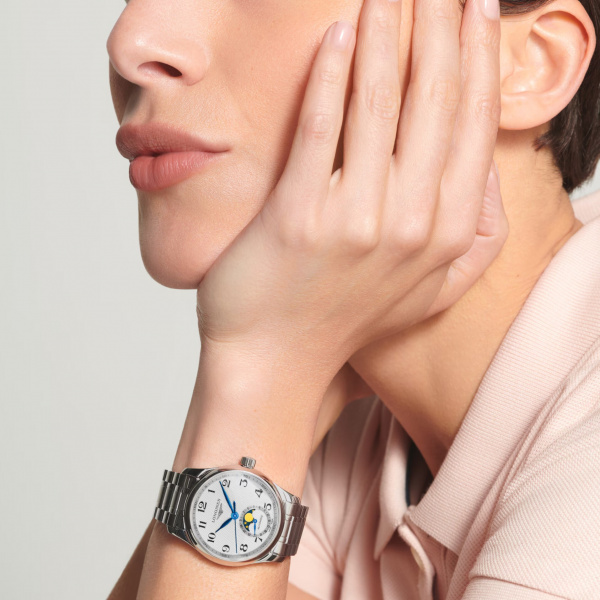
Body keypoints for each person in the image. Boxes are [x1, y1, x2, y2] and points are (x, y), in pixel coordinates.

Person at [105, 0, 600, 597]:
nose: (129, 43)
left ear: (531, 63)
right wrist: (285, 374)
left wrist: (267, 362)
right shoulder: (347, 426)